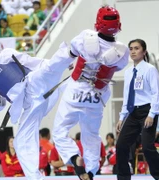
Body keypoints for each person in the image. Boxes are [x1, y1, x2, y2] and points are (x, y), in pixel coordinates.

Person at [0, 31, 75, 180]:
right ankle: (35, 177)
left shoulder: (6, 54)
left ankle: (71, 54)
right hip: (28, 105)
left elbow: (31, 61)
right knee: (20, 142)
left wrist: (64, 63)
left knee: (46, 71)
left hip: (32, 84)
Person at [52, 5, 129, 180]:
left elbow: (72, 52)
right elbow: (116, 67)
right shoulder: (122, 52)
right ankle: (92, 171)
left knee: (60, 131)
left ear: (97, 23)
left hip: (76, 91)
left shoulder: (85, 37)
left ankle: (74, 158)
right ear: (118, 25)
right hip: (97, 96)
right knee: (91, 135)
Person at [116, 39, 159, 180]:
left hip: (147, 111)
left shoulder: (150, 69)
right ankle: (123, 177)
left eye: (136, 48)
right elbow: (126, 97)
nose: (133, 51)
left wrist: (152, 114)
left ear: (144, 51)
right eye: (131, 48)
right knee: (121, 145)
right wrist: (122, 117)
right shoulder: (128, 73)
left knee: (147, 146)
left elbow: (156, 93)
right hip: (132, 113)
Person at [128, 101, 159, 174]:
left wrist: (158, 131)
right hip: (144, 132)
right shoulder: (141, 106)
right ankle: (129, 164)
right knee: (131, 137)